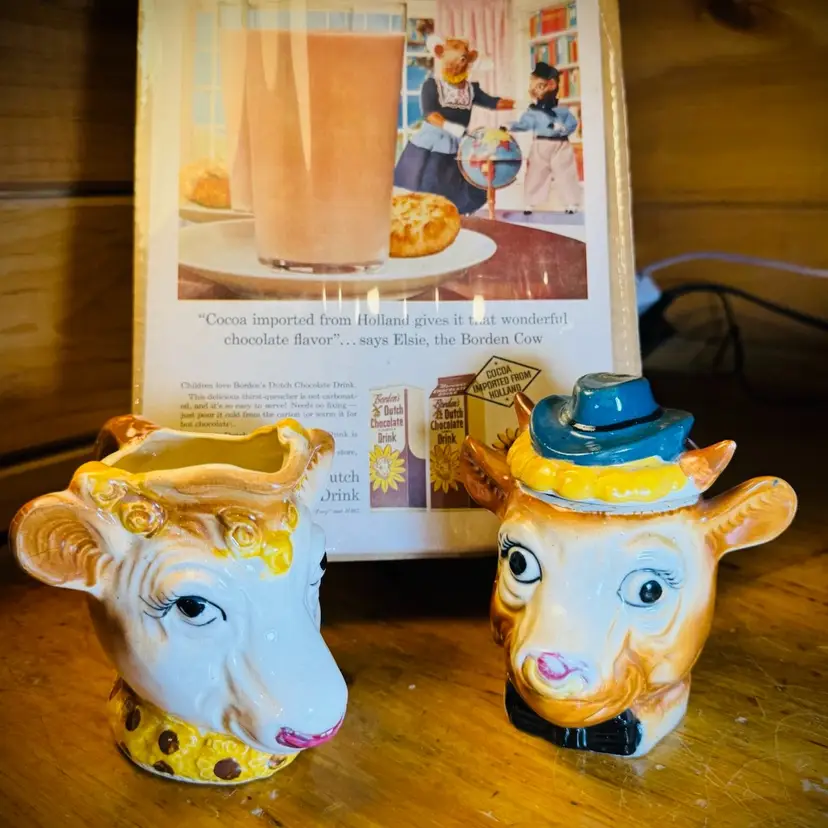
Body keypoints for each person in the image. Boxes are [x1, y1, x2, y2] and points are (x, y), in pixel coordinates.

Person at [393, 37, 514, 216]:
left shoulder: (471, 90)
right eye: (451, 62)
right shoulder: (432, 85)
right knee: (424, 186)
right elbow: (430, 115)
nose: (456, 66)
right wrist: (452, 127)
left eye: (461, 61)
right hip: (430, 144)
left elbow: (494, 102)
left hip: (455, 146)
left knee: (456, 189)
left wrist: (521, 103)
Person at [508, 62, 582, 215]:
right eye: (534, 87)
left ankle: (571, 202)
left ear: (552, 85)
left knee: (565, 174)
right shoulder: (533, 112)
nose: (536, 91)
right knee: (535, 174)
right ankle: (530, 203)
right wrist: (510, 126)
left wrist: (562, 128)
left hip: (561, 145)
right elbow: (524, 124)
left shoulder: (562, 111)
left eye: (540, 86)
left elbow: (572, 124)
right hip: (539, 144)